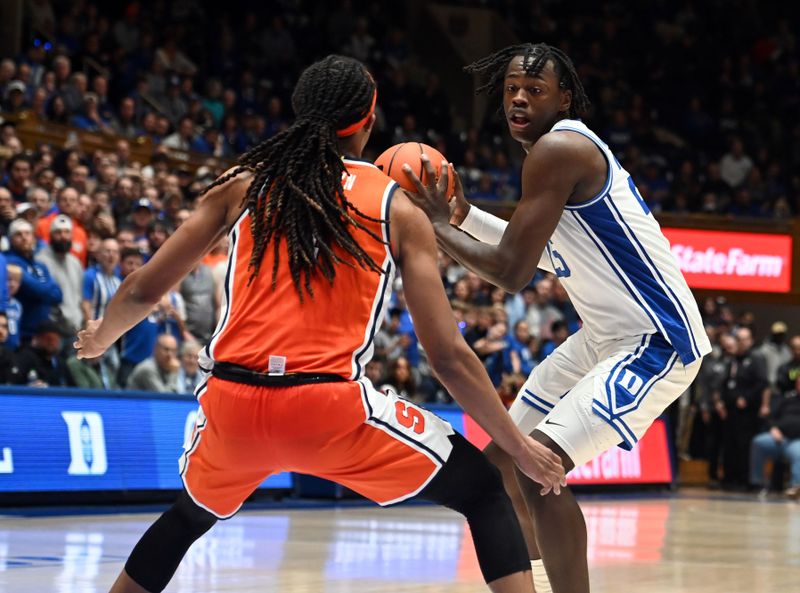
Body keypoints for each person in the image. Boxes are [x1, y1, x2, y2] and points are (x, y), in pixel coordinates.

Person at [74, 55, 565, 593]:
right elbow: (447, 355)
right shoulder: (396, 208)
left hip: (232, 405)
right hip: (329, 411)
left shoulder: (245, 183)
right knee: (485, 490)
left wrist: (100, 337)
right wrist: (517, 446)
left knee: (190, 514)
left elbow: (145, 287)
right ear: (368, 122)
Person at [404, 43, 711, 593]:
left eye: (534, 90)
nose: (519, 99)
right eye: (511, 90)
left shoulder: (558, 150)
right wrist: (462, 215)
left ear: (564, 98)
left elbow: (513, 272)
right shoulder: (551, 158)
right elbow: (539, 254)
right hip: (602, 338)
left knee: (535, 464)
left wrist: (435, 227)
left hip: (656, 340)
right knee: (502, 459)